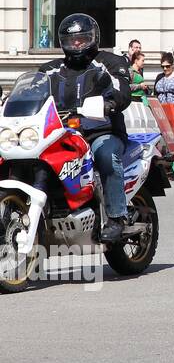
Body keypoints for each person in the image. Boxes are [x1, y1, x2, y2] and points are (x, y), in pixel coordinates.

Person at [38, 14, 132, 242]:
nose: (77, 44)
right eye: (72, 40)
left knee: (107, 156)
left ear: (94, 37)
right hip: (59, 135)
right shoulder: (50, 69)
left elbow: (122, 89)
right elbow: (32, 89)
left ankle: (116, 217)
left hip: (100, 131)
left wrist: (111, 103)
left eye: (82, 38)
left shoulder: (109, 62)